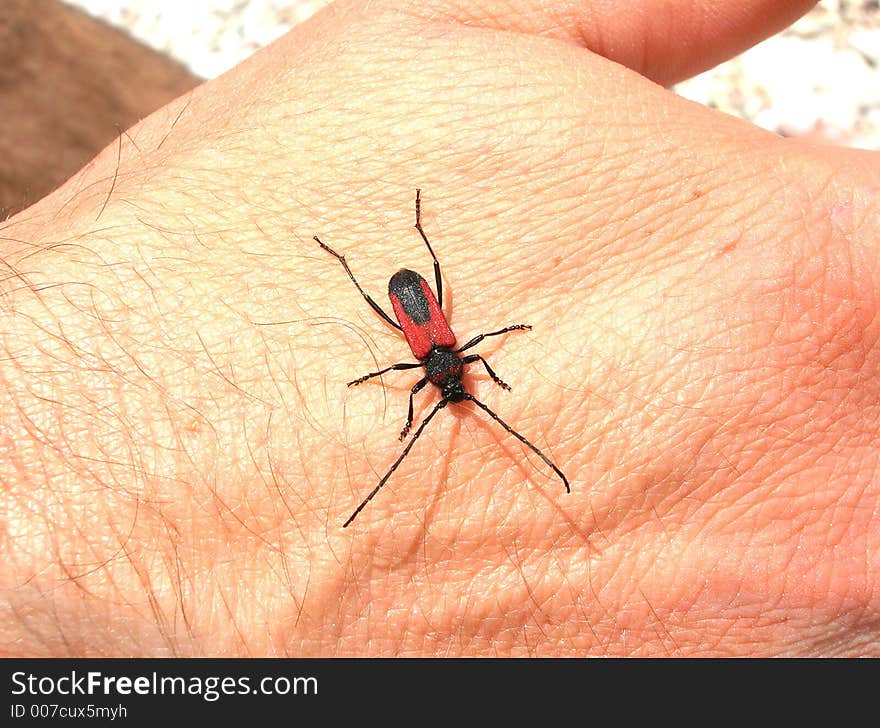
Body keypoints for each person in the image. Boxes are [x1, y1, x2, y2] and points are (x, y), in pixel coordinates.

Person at [2, 0, 877, 656]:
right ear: (445, 363)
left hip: (408, 287)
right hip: (400, 280)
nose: (451, 385)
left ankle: (382, 248)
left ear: (447, 367)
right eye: (449, 379)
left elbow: (443, 379)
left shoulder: (447, 361)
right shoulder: (441, 357)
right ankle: (353, 256)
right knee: (386, 292)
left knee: (408, 304)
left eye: (449, 381)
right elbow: (423, 385)